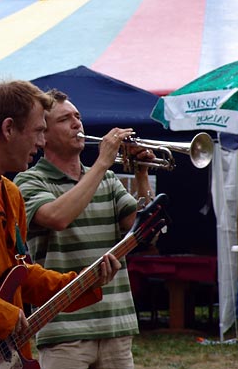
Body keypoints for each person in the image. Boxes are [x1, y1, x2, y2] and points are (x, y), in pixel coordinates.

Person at [0, 80, 121, 362]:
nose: (42, 142)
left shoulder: (11, 192)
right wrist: (3, 314)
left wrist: (81, 283)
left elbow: (19, 274)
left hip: (6, 354)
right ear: (8, 129)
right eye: (38, 130)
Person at [13, 88, 155, 369]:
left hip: (115, 324)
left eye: (77, 116)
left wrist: (142, 174)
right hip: (63, 329)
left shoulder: (108, 179)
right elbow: (57, 217)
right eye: (64, 119)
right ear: (43, 135)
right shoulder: (29, 181)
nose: (76, 123)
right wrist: (102, 163)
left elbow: (141, 231)